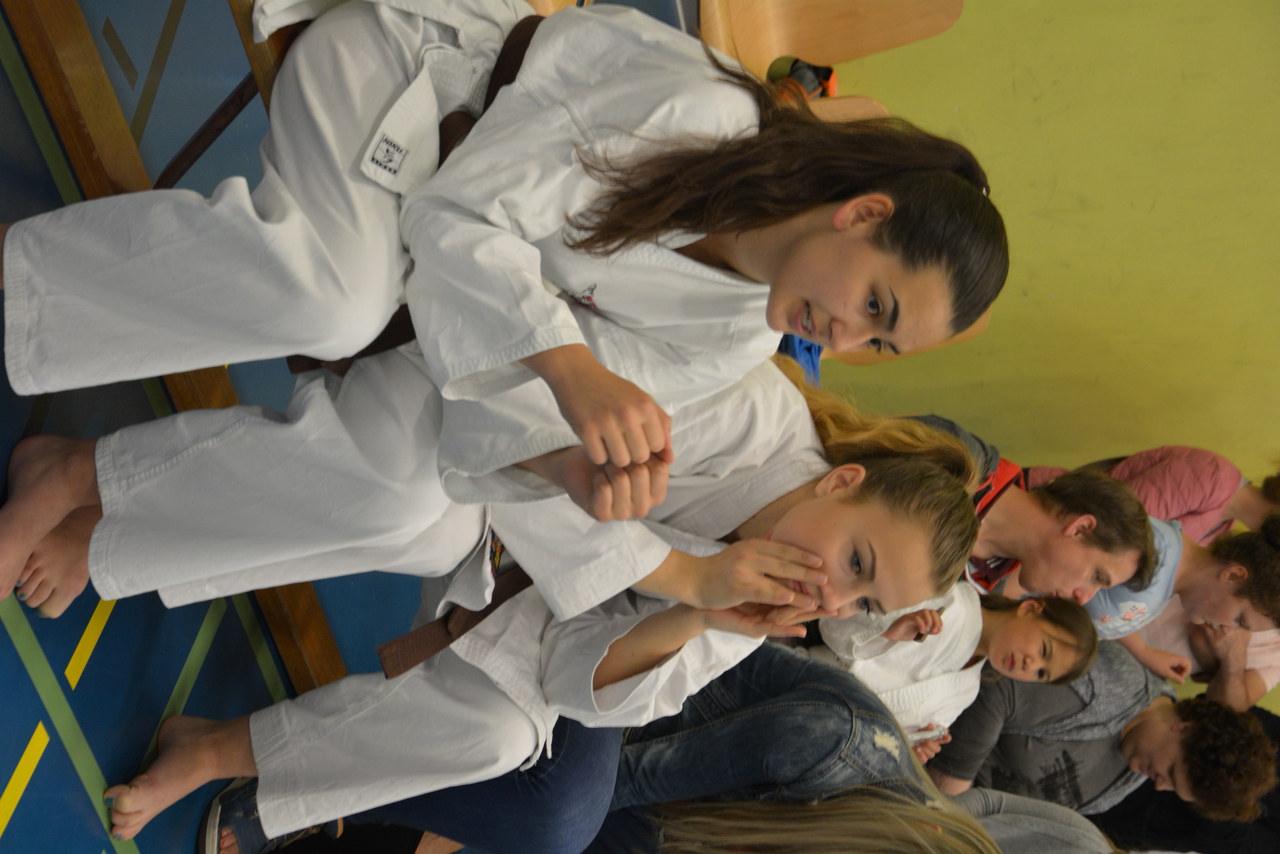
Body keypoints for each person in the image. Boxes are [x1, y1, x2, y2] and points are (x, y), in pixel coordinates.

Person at [0, 0, 1009, 600]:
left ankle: (91, 480)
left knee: (411, 504)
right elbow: (459, 215)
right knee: (334, 298)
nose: (847, 334)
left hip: (441, 287)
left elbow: (514, 400)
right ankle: (21, 286)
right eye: (875, 304)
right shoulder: (705, 119)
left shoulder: (736, 342)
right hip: (415, 94)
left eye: (878, 345)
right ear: (861, 215)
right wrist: (569, 371)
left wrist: (569, 464)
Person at [102, 436, 982, 845]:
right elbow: (554, 468)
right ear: (841, 480)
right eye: (856, 561)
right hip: (506, 499)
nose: (835, 597)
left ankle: (223, 751)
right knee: (415, 515)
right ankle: (110, 500)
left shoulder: (766, 608)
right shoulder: (750, 430)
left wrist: (702, 615)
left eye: (864, 602)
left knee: (512, 757)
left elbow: (573, 679)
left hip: (555, 619)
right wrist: (688, 577)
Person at [926, 640, 1277, 823]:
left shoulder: (1128, 778)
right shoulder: (1112, 683)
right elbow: (996, 685)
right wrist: (947, 794)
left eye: (1171, 788)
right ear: (1184, 728)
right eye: (1170, 772)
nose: (1159, 785)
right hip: (927, 737)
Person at [810, 590, 1098, 758]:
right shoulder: (949, 601)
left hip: (831, 739)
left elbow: (887, 744)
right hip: (809, 677)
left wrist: (911, 751)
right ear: (1031, 607)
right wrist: (888, 633)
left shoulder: (966, 692)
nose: (1030, 665)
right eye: (1043, 650)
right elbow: (833, 626)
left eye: (1041, 673)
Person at [909, 415, 1155, 606]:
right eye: (1097, 577)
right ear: (1080, 528)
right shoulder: (961, 459)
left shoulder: (979, 598)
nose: (1083, 599)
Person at [1026, 446, 1280, 545]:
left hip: (1058, 534)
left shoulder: (1223, 526)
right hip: (1037, 507)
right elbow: (1116, 528)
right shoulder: (1214, 477)